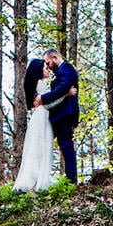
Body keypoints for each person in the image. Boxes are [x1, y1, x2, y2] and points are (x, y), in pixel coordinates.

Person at [35, 48, 79, 184]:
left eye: (48, 63)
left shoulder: (67, 69)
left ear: (54, 57)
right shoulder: (61, 71)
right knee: (52, 145)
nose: (47, 66)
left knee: (66, 145)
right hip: (58, 115)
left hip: (65, 115)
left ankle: (71, 180)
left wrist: (42, 98)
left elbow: (63, 88)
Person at [13, 57, 56, 192]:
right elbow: (49, 103)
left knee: (37, 148)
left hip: (40, 117)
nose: (47, 70)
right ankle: (33, 182)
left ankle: (33, 182)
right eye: (45, 68)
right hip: (42, 117)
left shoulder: (39, 84)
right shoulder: (40, 84)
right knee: (40, 148)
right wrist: (66, 94)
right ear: (39, 71)